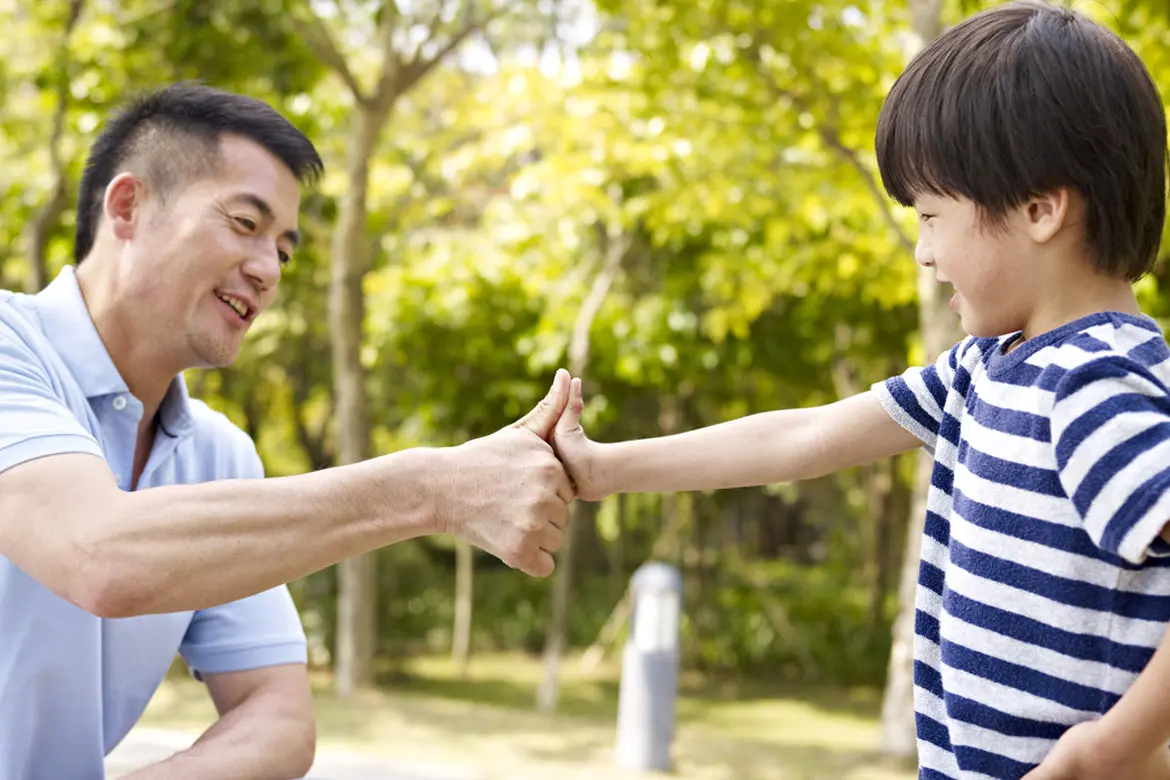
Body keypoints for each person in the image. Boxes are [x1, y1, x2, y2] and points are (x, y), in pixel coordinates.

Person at [551, 2, 1170, 778]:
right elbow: (801, 438)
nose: (922, 252)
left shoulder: (1092, 385)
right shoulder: (989, 367)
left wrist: (1111, 751)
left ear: (1042, 209)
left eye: (933, 216)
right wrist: (604, 469)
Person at [0, 83, 574, 779]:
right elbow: (96, 556)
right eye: (245, 223)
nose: (269, 271)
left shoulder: (219, 455)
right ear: (128, 207)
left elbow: (278, 718)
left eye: (284, 249)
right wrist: (433, 488)